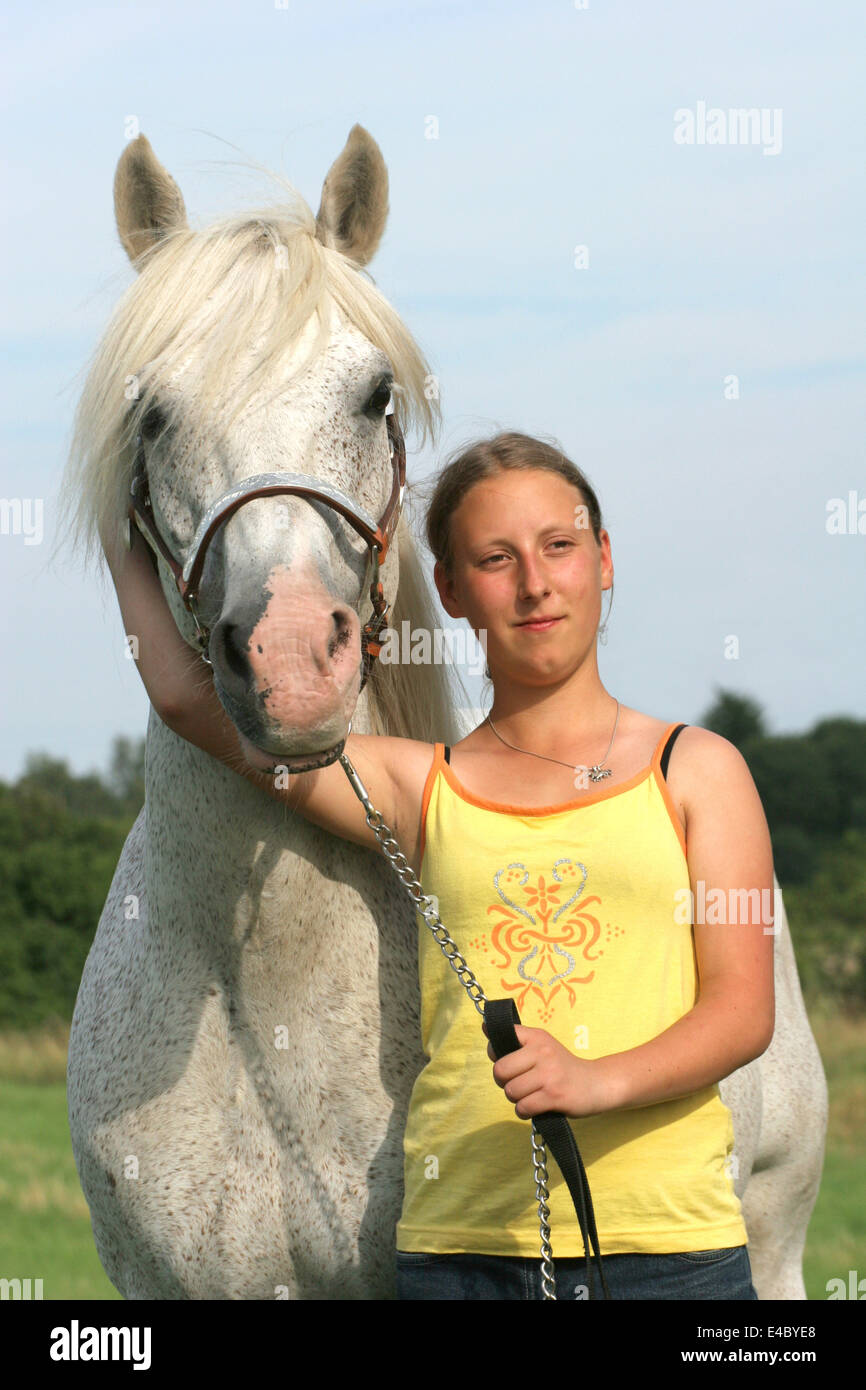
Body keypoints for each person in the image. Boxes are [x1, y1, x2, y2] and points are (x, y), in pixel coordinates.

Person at [101, 429, 774, 1301]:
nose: (535, 583)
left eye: (559, 546)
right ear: (450, 592)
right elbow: (190, 704)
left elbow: (741, 1011)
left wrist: (592, 1079)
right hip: (460, 1253)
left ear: (603, 561)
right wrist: (126, 536)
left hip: (670, 1251)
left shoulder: (702, 770)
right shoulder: (421, 787)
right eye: (496, 559)